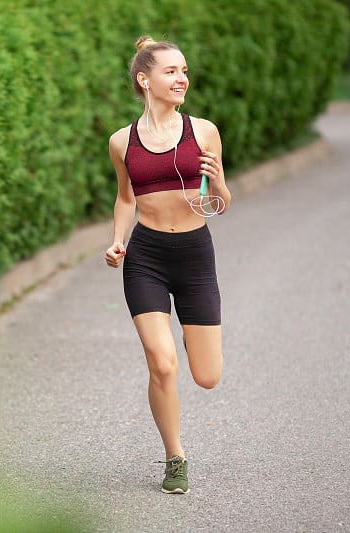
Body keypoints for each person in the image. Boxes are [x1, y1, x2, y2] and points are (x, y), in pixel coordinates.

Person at [104, 36, 232, 494]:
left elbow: (218, 205)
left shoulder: (204, 131)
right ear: (145, 80)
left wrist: (216, 181)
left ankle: (189, 335)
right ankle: (175, 457)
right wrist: (118, 242)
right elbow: (125, 197)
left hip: (196, 255)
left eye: (183, 71)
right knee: (162, 364)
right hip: (147, 259)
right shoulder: (123, 141)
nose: (182, 79)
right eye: (171, 71)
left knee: (207, 376)